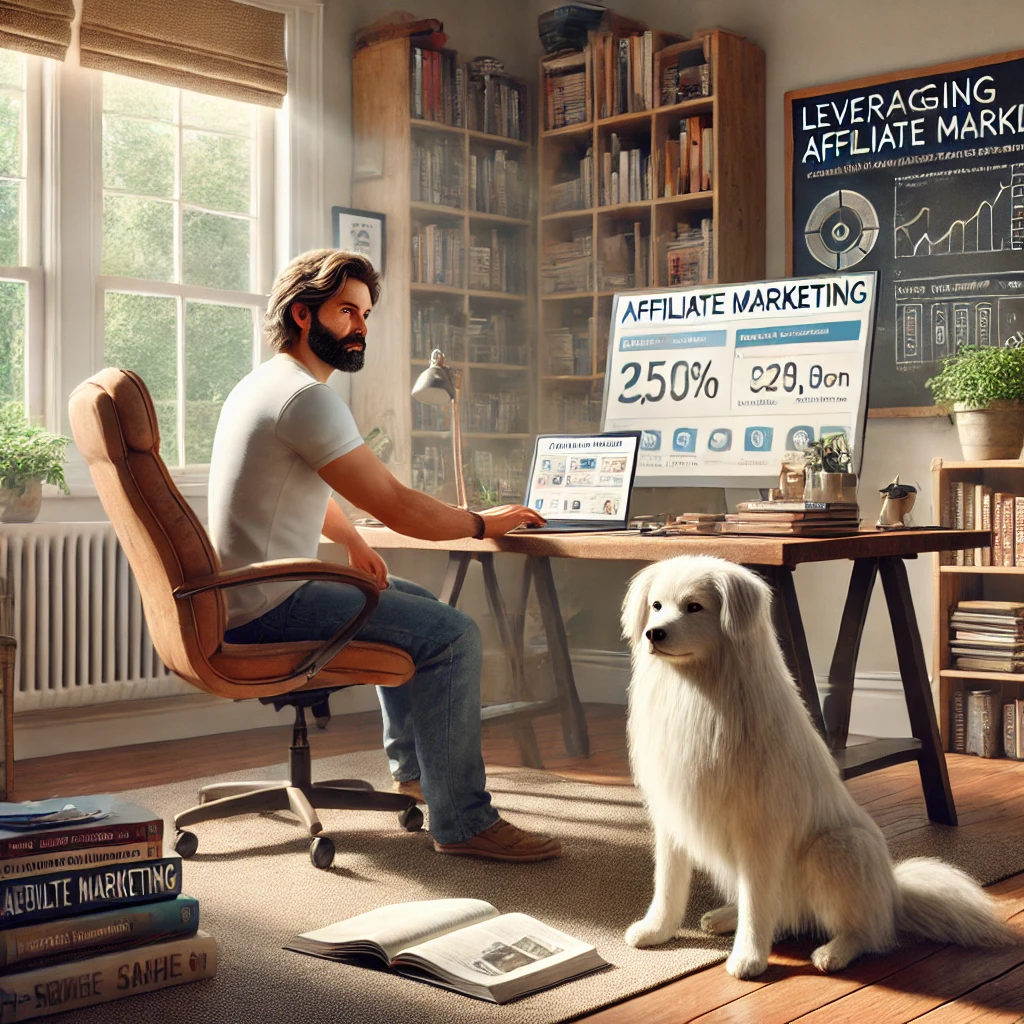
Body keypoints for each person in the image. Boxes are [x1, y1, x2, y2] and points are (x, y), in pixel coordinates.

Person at [207, 249, 560, 862]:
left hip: (249, 592)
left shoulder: (263, 385)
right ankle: (465, 822)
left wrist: (352, 541)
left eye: (366, 314)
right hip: (271, 603)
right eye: (347, 312)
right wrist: (483, 522)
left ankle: (417, 773)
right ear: (302, 313)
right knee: (453, 634)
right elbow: (397, 503)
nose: (361, 327)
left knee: (413, 602)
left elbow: (294, 488)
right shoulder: (304, 398)